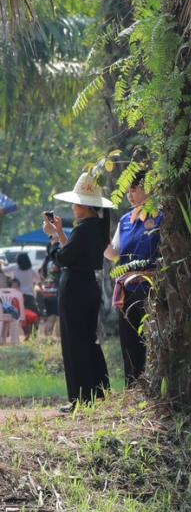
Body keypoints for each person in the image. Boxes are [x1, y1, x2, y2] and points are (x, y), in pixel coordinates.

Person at [44, 173, 114, 410]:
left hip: (75, 289)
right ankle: (97, 393)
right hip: (85, 287)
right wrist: (61, 234)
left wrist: (53, 237)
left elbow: (63, 257)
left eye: (75, 203)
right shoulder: (94, 228)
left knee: (75, 343)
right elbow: (73, 253)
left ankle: (80, 399)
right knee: (87, 340)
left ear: (84, 206)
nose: (73, 208)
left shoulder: (85, 230)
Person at [104, 175, 162, 386]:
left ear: (148, 188)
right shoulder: (125, 221)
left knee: (152, 340)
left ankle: (153, 385)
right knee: (129, 340)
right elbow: (115, 253)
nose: (129, 194)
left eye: (134, 189)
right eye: (128, 190)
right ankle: (132, 386)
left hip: (152, 289)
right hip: (127, 291)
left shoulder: (161, 216)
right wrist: (103, 241)